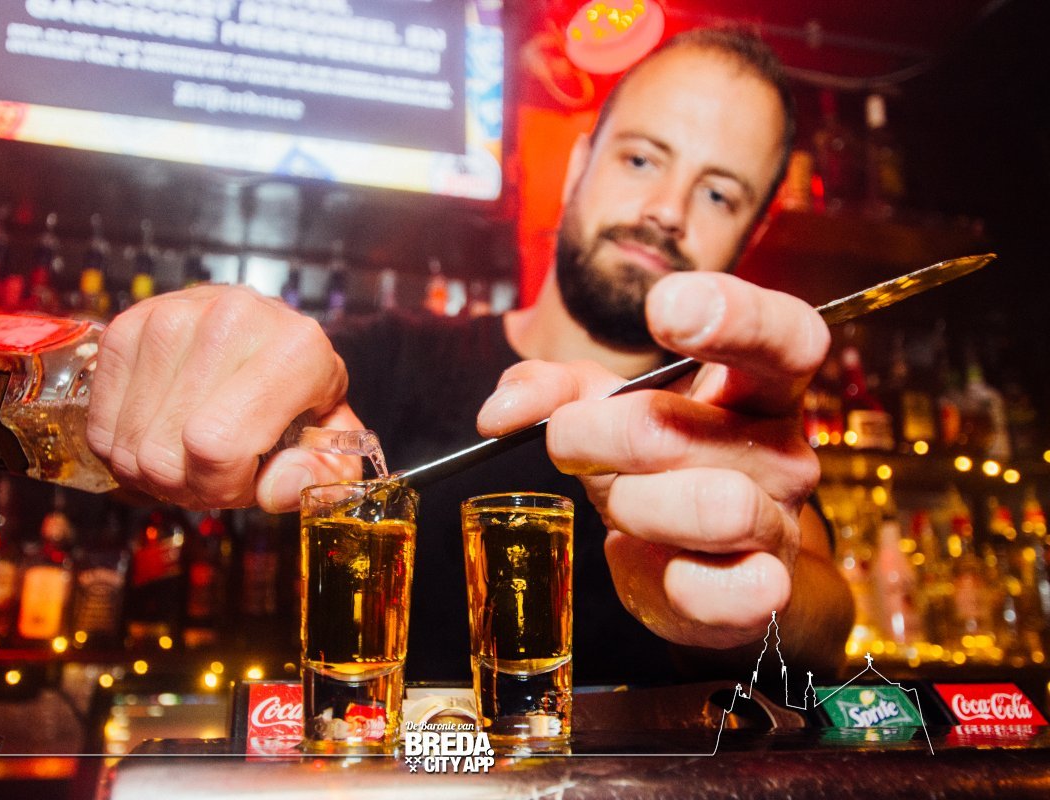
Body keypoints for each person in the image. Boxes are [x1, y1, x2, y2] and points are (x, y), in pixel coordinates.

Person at [86, 26, 853, 683]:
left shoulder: (725, 421)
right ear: (579, 165)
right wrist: (187, 370)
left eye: (718, 194)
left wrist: (762, 579)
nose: (666, 211)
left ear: (752, 233)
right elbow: (143, 456)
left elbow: (825, 622)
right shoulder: (385, 364)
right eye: (642, 160)